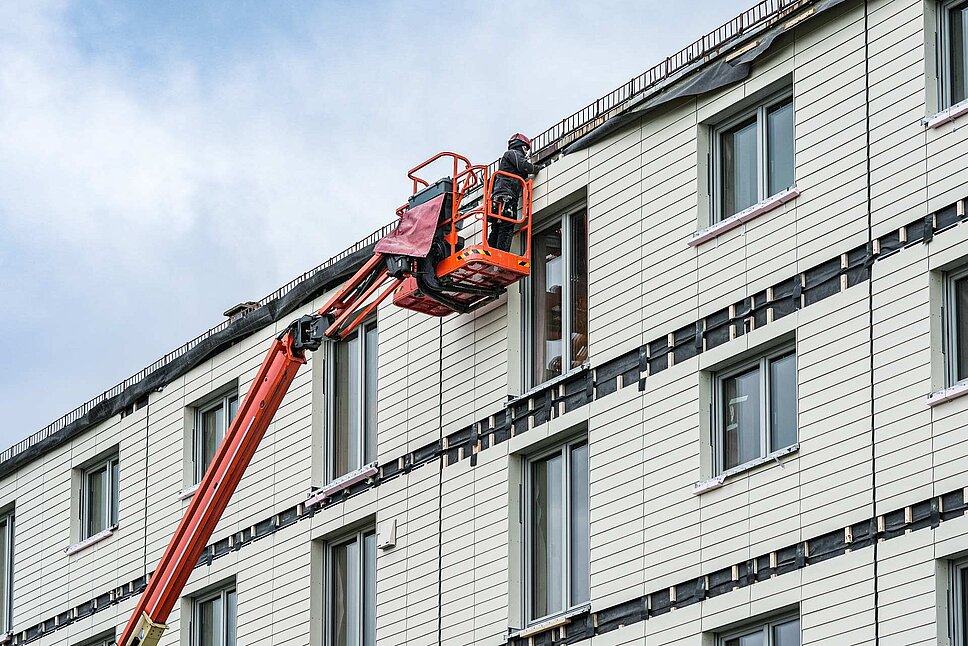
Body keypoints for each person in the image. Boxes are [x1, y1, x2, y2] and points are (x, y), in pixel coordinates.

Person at [488, 133, 538, 251]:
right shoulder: (513, 154)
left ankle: (491, 252)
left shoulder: (508, 162)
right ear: (520, 145)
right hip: (507, 196)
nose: (526, 153)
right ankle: (501, 254)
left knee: (497, 227)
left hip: (499, 196)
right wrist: (536, 168)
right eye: (525, 149)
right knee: (506, 225)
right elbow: (524, 166)